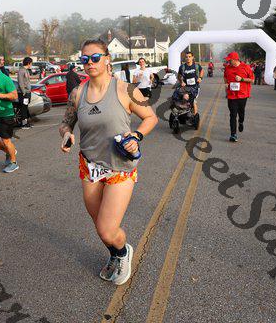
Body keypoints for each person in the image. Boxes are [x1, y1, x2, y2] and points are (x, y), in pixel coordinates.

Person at [59, 39, 157, 286]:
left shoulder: (126, 90)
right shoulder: (78, 93)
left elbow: (150, 117)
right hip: (89, 167)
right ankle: (114, 252)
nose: (89, 63)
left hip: (119, 168)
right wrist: (67, 134)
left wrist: (136, 136)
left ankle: (123, 253)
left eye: (95, 58)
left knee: (106, 229)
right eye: (84, 59)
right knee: (99, 225)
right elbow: (66, 123)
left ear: (107, 59)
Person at [223, 52, 254, 142]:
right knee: (232, 114)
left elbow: (252, 80)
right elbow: (225, 77)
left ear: (235, 60)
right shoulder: (228, 68)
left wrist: (242, 79)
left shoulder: (245, 67)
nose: (228, 62)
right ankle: (233, 134)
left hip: (242, 95)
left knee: (241, 112)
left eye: (230, 60)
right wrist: (226, 83)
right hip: (231, 95)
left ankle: (241, 122)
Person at [177, 51, 204, 116]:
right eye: (186, 57)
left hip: (195, 87)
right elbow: (179, 76)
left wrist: (200, 78)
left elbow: (202, 71)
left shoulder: (196, 66)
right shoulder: (182, 67)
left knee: (193, 101)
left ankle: (195, 116)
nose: (188, 58)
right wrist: (181, 82)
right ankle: (184, 113)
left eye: (189, 57)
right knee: (183, 98)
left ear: (192, 57)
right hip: (186, 88)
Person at [17, 57, 33, 129]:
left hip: (28, 92)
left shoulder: (26, 70)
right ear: (28, 63)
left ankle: (26, 123)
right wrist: (23, 91)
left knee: (26, 108)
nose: (31, 65)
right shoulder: (21, 71)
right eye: (31, 63)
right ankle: (23, 124)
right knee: (23, 108)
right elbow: (20, 82)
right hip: (24, 93)